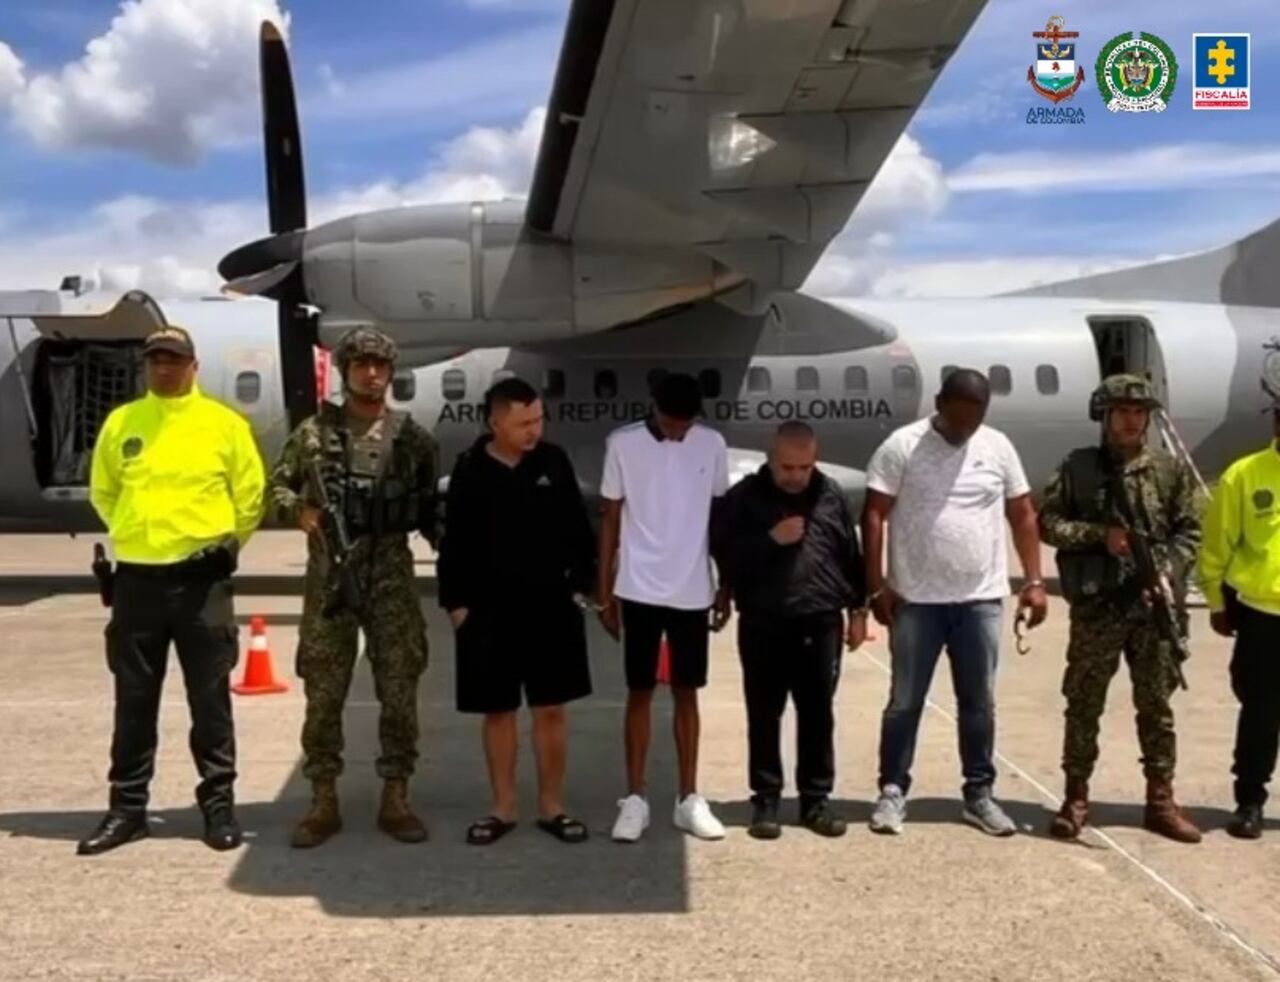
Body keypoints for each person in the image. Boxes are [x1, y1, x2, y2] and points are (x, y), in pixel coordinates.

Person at [79, 325, 266, 856]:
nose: (164, 368)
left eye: (174, 359)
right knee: (133, 701)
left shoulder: (224, 425)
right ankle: (127, 810)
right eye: (156, 359)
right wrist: (139, 535)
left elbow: (251, 495)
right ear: (146, 365)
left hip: (200, 583)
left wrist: (227, 545)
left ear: (193, 366)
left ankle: (218, 808)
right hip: (136, 580)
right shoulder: (122, 423)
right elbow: (104, 491)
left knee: (210, 701)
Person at [269, 327, 438, 848]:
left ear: (390, 372)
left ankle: (396, 795)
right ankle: (323, 799)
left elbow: (429, 508)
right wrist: (300, 511)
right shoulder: (312, 435)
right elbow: (276, 488)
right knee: (323, 690)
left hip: (390, 574)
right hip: (330, 576)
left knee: (399, 686)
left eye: (379, 365)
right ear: (345, 372)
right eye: (361, 364)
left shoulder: (413, 440)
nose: (370, 373)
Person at [863, 368, 1047, 837]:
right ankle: (892, 791)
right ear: (939, 403)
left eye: (975, 419)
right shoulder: (902, 446)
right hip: (917, 601)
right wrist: (877, 585)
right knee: (905, 701)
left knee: (978, 702)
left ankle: (979, 795)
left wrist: (1034, 580)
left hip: (979, 601)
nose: (965, 428)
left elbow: (1022, 513)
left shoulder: (998, 447)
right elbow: (874, 515)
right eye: (958, 417)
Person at [1039, 374, 1203, 844]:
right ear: (1105, 416)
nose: (1131, 421)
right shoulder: (1078, 467)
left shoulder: (1168, 470)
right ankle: (1075, 797)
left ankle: (1161, 801)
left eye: (1139, 413)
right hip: (1099, 607)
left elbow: (1190, 530)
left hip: (1151, 606)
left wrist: (1167, 572)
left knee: (1156, 706)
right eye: (1122, 412)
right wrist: (1100, 537)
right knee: (1083, 703)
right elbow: (1048, 523)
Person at [437, 377, 597, 846]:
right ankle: (502, 808)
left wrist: (581, 587)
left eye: (538, 420)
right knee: (498, 711)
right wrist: (457, 607)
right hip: (488, 612)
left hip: (551, 609)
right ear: (495, 422)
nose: (534, 430)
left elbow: (578, 530)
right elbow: (454, 544)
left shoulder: (554, 462)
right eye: (523, 423)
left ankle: (553, 807)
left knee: (551, 709)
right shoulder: (470, 470)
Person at [714, 422, 869, 839]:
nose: (796, 476)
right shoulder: (745, 497)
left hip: (820, 621)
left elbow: (850, 555)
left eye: (804, 467)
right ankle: (766, 799)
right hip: (764, 621)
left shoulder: (831, 494)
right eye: (787, 467)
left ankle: (815, 801)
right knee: (764, 713)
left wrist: (858, 609)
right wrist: (770, 539)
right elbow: (725, 554)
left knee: (817, 713)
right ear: (771, 459)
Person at [598, 372, 731, 842]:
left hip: (692, 589)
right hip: (638, 587)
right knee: (639, 692)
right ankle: (634, 798)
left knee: (687, 691)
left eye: (687, 422)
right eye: (674, 422)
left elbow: (719, 518)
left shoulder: (712, 444)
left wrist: (725, 584)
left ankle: (688, 798)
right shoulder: (623, 443)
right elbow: (610, 518)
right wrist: (604, 591)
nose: (680, 430)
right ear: (655, 409)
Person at [1198, 396, 1280, 840]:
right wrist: (1216, 602)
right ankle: (1250, 801)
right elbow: (1217, 545)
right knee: (1260, 714)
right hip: (1262, 616)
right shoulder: (1244, 474)